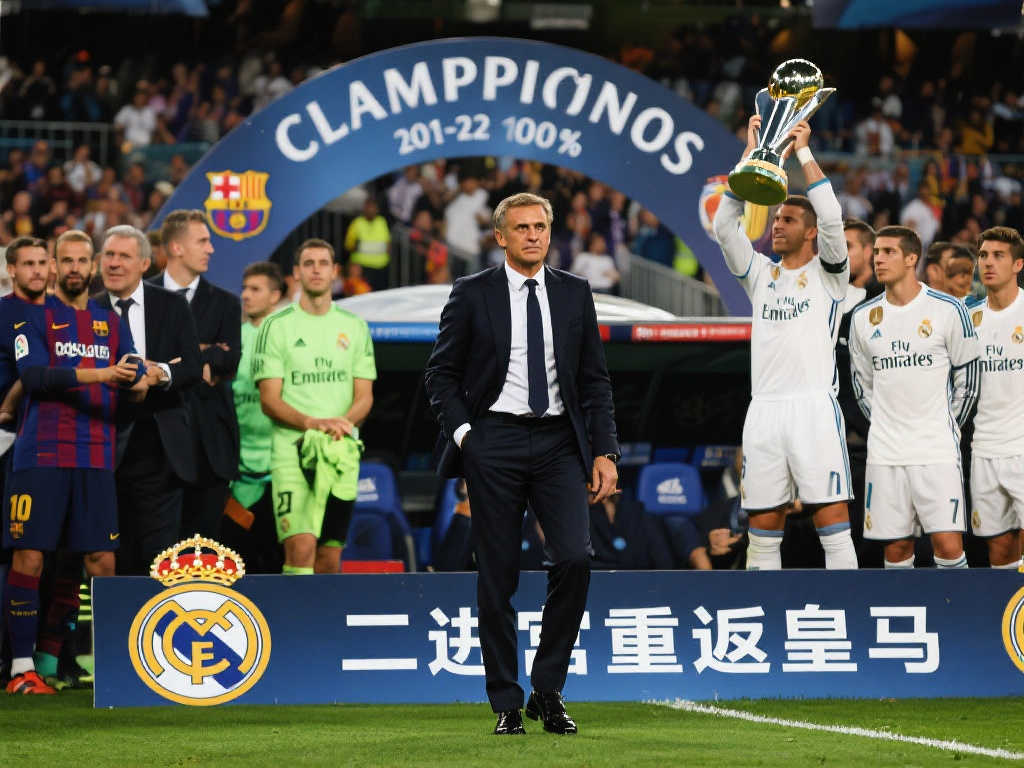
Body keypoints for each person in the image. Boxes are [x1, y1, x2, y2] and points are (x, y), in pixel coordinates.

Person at [424, 192, 619, 736]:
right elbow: (440, 374)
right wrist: (467, 437)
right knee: (497, 574)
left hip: (560, 443)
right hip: (493, 440)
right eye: (522, 228)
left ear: (550, 233)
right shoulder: (471, 292)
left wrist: (605, 451)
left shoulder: (575, 292)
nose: (533, 235)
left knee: (575, 558)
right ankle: (506, 701)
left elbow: (595, 381)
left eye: (541, 227)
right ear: (500, 237)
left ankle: (547, 690)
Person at [3, 230, 148, 695]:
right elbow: (35, 376)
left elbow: (134, 374)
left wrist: (140, 381)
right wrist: (104, 374)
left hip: (96, 454)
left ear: (93, 266)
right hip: (41, 453)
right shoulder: (30, 318)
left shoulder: (110, 322)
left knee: (101, 558)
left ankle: (111, 666)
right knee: (30, 555)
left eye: (82, 260)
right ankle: (21, 669)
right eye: (65, 260)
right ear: (53, 266)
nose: (73, 268)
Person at [712, 117, 858, 571]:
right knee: (762, 526)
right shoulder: (760, 274)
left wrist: (804, 153)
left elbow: (831, 216)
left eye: (788, 219)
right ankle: (765, 609)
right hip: (765, 410)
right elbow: (724, 227)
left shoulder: (830, 275)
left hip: (814, 407)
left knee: (832, 522)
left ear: (810, 232)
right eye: (776, 219)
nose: (777, 225)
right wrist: (749, 159)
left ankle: (847, 606)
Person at [849, 226, 980, 569]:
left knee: (948, 546)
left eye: (889, 252)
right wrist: (885, 421)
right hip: (886, 451)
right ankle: (904, 606)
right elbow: (862, 385)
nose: (879, 259)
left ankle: (956, 605)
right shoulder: (863, 318)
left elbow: (969, 378)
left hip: (935, 448)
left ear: (911, 258)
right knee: (895, 549)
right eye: (877, 252)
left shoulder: (948, 309)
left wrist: (946, 423)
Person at [252, 239, 376, 575]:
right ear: (296, 273)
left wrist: (341, 424)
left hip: (340, 453)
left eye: (323, 263)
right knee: (301, 548)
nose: (316, 270)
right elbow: (269, 399)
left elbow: (365, 396)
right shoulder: (275, 326)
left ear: (336, 272)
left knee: (329, 557)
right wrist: (313, 423)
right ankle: (295, 612)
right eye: (308, 263)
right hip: (293, 453)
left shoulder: (355, 326)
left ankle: (325, 613)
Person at [93, 225, 202, 575]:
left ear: (144, 263)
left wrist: (158, 374)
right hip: (103, 444)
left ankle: (156, 612)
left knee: (159, 556)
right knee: (109, 551)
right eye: (109, 255)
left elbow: (192, 366)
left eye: (124, 256)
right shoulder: (87, 309)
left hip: (160, 445)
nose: (114, 263)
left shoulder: (172, 305)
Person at [155, 210, 241, 540]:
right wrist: (203, 353)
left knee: (203, 554)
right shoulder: (142, 296)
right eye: (203, 241)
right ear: (177, 248)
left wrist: (171, 362)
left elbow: (229, 360)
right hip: (155, 447)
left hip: (210, 448)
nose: (211, 249)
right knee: (153, 552)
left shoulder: (226, 303)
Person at [221, 261, 285, 574]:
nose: (245, 295)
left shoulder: (289, 337)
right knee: (235, 560)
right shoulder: (231, 339)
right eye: (244, 288)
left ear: (275, 295)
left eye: (255, 289)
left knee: (277, 559)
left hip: (281, 468)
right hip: (236, 472)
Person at [967, 226, 1024, 568]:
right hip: (985, 448)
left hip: (1022, 446)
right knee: (1000, 550)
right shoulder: (968, 319)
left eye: (998, 256)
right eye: (983, 255)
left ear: (1018, 264)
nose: (988, 263)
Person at [836, 219, 884, 566]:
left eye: (848, 246)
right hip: (829, 442)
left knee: (874, 537)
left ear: (869, 251)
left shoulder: (885, 306)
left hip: (872, 444)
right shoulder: (824, 302)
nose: (839, 253)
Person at [344, 198, 390, 291]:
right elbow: (349, 245)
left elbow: (387, 243)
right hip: (362, 267)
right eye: (368, 207)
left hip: (380, 267)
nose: (371, 210)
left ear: (377, 209)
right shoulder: (357, 223)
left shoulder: (382, 222)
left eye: (373, 207)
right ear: (364, 209)